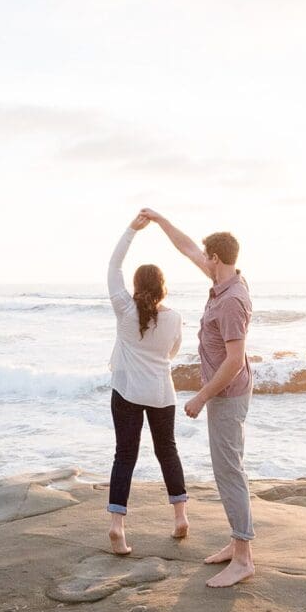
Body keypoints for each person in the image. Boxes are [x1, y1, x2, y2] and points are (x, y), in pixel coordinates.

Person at [139, 208, 254, 587]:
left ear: (217, 259)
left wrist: (202, 396)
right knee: (226, 468)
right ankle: (237, 543)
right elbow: (188, 248)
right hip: (224, 392)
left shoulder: (232, 300)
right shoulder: (224, 281)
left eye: (208, 257)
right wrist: (160, 220)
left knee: (228, 470)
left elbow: (235, 362)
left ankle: (243, 558)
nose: (202, 260)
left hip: (227, 393)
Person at [106, 213, 190, 555]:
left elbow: (114, 267)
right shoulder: (174, 318)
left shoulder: (124, 309)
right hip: (160, 393)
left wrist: (131, 230)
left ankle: (117, 527)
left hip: (126, 391)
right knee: (167, 450)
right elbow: (172, 351)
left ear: (138, 286)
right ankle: (181, 517)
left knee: (125, 455)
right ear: (163, 286)